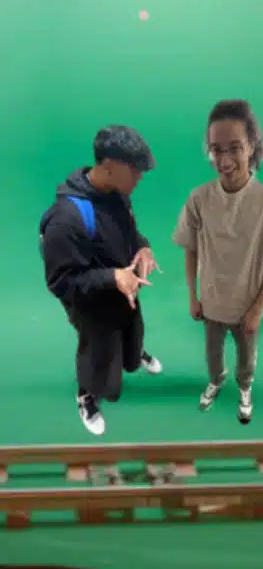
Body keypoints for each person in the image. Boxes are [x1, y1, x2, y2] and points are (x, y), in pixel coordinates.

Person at [172, 99, 263, 425]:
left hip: (247, 307)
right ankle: (215, 382)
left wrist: (258, 309)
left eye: (234, 148)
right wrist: (193, 296)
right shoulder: (199, 198)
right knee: (213, 356)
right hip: (211, 304)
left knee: (246, 358)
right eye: (216, 150)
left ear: (253, 147)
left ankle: (245, 390)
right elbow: (190, 248)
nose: (225, 160)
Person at [40, 125, 163, 436]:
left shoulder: (118, 194)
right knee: (97, 352)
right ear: (110, 166)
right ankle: (87, 396)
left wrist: (143, 247)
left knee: (132, 331)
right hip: (91, 303)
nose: (140, 177)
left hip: (124, 291)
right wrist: (112, 276)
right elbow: (61, 282)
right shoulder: (66, 219)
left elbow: (129, 232)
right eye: (134, 169)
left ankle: (133, 353)